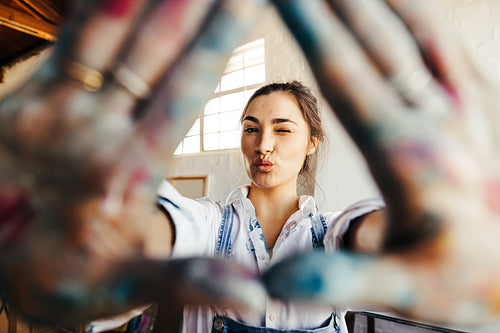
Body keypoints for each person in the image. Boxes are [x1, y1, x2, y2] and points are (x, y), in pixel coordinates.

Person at [2, 0, 500, 331]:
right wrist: (102, 225)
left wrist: (460, 230)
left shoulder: (331, 232)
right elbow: (160, 229)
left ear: (312, 143)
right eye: (251, 127)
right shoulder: (209, 223)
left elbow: (366, 235)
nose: (264, 143)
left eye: (284, 130)